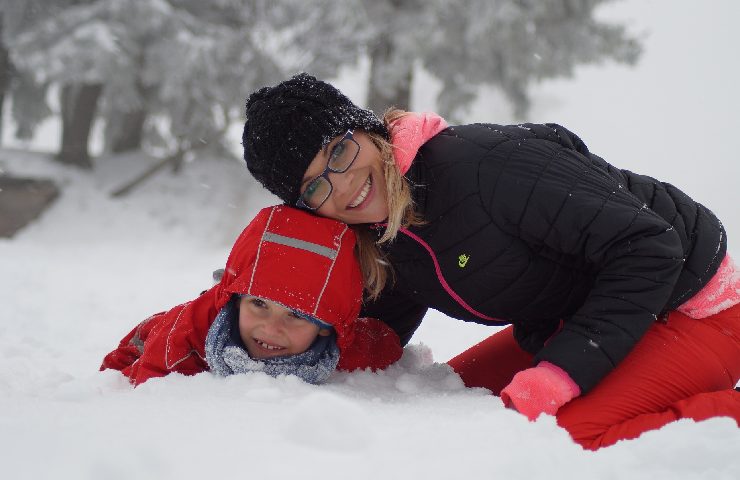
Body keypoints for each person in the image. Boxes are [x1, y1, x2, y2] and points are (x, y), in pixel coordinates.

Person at [241, 73, 740, 449]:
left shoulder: (484, 167)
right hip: (582, 318)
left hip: (693, 306)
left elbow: (649, 247)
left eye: (340, 152)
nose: (343, 184)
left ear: (367, 130)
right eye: (315, 185)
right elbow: (383, 325)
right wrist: (300, 352)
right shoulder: (382, 231)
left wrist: (561, 374)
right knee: (449, 401)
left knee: (565, 442)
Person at [101, 205, 402, 386]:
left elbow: (383, 344)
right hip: (147, 341)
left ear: (326, 326)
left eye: (296, 315)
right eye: (259, 304)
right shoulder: (183, 338)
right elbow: (142, 392)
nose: (271, 328)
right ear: (237, 300)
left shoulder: (337, 345)